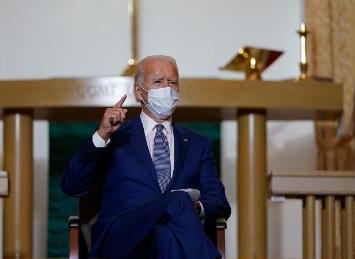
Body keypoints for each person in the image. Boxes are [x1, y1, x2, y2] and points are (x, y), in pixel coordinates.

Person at [61, 55, 231, 259]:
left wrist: (195, 207)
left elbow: (219, 202)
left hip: (170, 240)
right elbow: (72, 185)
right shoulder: (115, 136)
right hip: (121, 240)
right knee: (178, 199)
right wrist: (102, 135)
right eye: (158, 82)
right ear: (139, 92)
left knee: (167, 235)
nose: (167, 88)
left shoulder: (198, 145)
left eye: (173, 82)